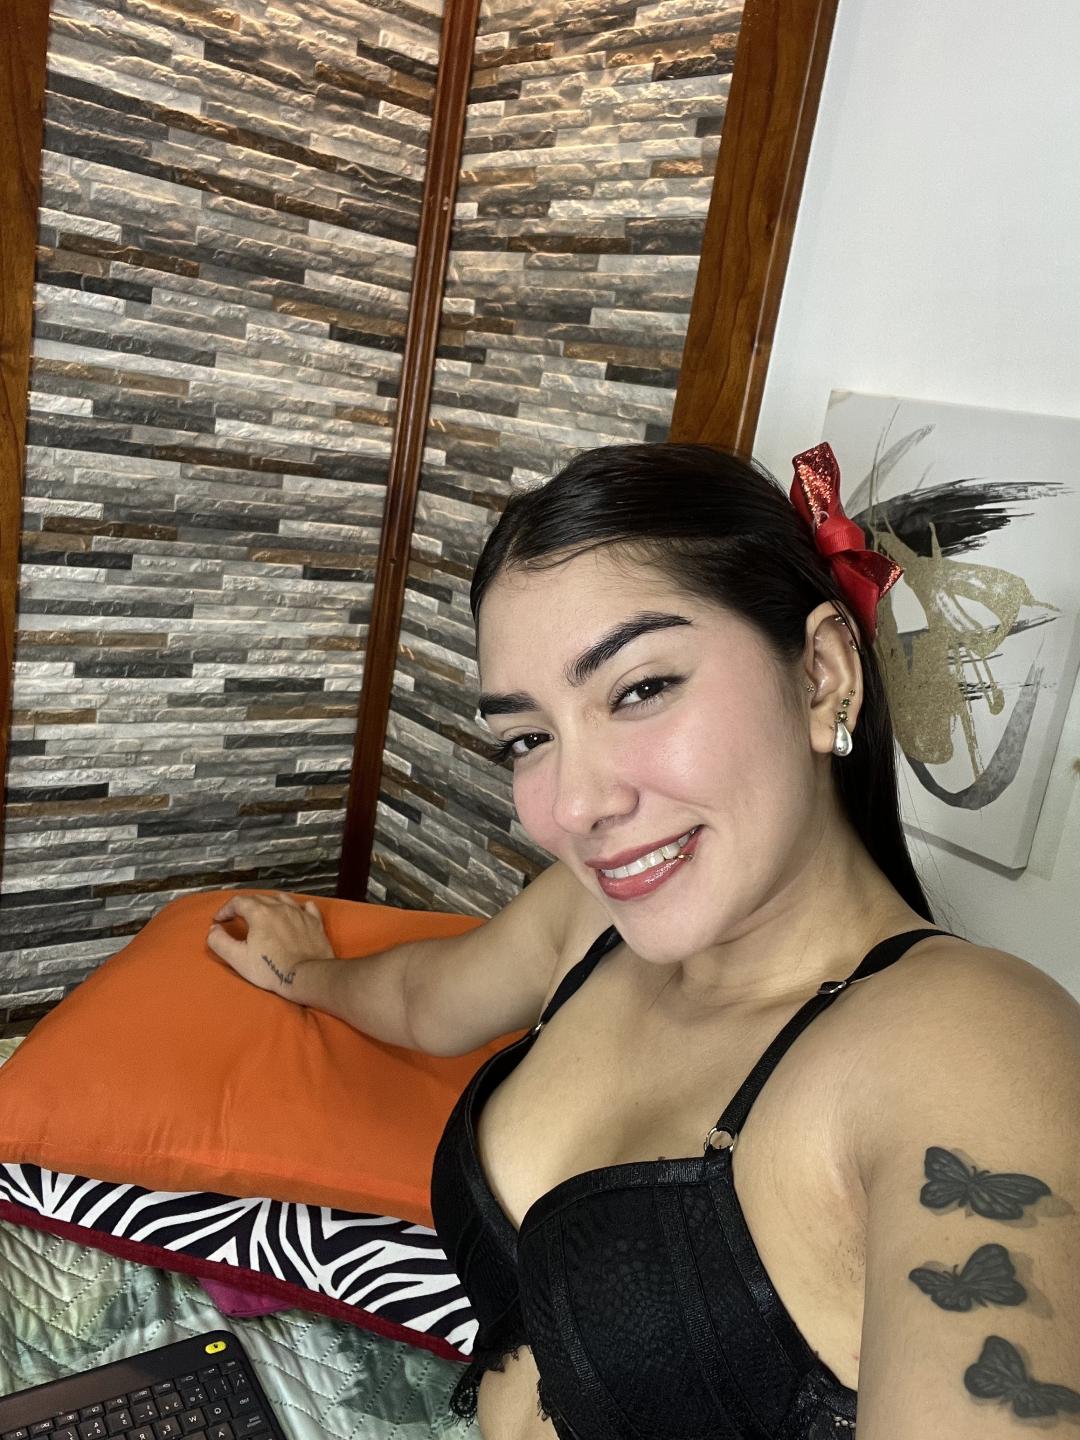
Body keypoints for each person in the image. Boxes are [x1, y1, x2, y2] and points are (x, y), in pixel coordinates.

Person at [207, 443, 1080, 1440]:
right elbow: (426, 1001)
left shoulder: (970, 1046)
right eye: (528, 738)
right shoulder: (593, 922)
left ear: (822, 674)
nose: (575, 807)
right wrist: (305, 970)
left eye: (639, 690)